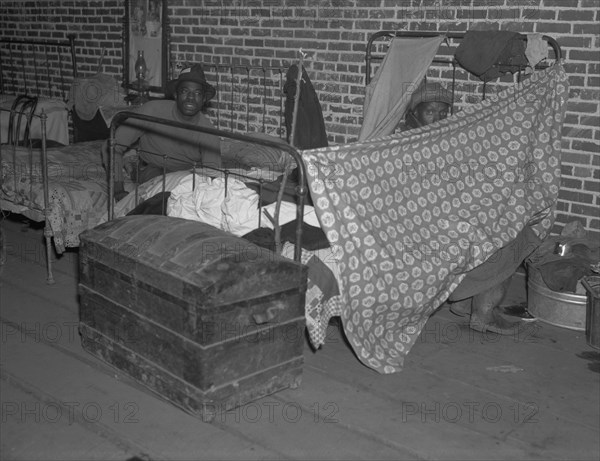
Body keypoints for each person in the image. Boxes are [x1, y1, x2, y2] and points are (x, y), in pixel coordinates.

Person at [403, 80, 535, 334]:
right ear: (414, 113)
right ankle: (484, 312)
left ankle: (465, 302)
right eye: (430, 111)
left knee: (500, 216)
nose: (438, 117)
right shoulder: (410, 141)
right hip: (427, 222)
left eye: (443, 112)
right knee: (512, 234)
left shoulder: (440, 136)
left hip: (438, 213)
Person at [102, 64, 221, 201]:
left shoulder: (207, 131)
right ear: (176, 94)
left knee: (190, 188)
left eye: (197, 93)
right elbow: (110, 146)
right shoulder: (152, 111)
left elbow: (214, 176)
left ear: (204, 99)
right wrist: (118, 191)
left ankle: (132, 164)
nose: (190, 98)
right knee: (159, 189)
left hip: (183, 176)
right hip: (153, 168)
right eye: (185, 91)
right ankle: (133, 167)